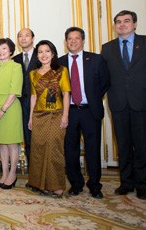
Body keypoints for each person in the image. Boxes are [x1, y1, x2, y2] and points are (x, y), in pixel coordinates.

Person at [101, 10, 146, 200]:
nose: (122, 24)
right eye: (118, 22)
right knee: (124, 145)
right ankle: (126, 183)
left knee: (141, 145)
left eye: (126, 21)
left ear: (135, 24)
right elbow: (104, 76)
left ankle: (142, 185)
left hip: (142, 102)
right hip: (118, 102)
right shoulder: (107, 48)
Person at [58, 27, 110, 199]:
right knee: (70, 149)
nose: (73, 41)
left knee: (93, 149)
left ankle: (95, 185)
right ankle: (76, 183)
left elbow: (104, 83)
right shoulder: (59, 62)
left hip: (90, 111)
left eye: (77, 38)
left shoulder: (96, 59)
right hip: (69, 112)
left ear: (83, 40)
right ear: (66, 42)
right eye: (70, 39)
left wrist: (93, 98)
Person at [28, 40, 70, 198]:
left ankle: (57, 186)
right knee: (38, 150)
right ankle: (42, 184)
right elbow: (33, 96)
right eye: (40, 52)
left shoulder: (61, 70)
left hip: (56, 114)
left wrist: (65, 115)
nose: (43, 54)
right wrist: (31, 117)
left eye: (47, 51)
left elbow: (66, 93)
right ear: (37, 55)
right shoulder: (33, 73)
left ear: (53, 53)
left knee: (54, 150)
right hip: (38, 115)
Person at [0, 38, 23, 190]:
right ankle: (4, 174)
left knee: (12, 144)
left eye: (4, 49)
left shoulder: (16, 67)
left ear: (11, 51)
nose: (0, 52)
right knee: (2, 144)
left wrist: (2, 110)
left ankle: (13, 174)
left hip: (10, 109)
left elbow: (14, 91)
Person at [12, 28, 37, 174]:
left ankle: (43, 174)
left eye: (26, 35)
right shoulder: (15, 59)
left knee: (39, 140)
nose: (23, 38)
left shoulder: (42, 55)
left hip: (39, 105)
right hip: (20, 105)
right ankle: (33, 175)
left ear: (32, 38)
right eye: (20, 36)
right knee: (27, 140)